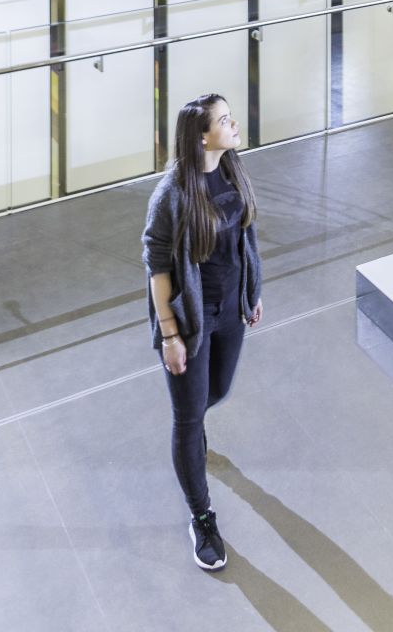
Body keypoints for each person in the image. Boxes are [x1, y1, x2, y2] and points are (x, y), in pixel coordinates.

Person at [142, 94, 263, 573]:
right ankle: (202, 517)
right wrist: (170, 335)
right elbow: (157, 268)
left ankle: (191, 431)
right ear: (201, 136)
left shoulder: (234, 170)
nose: (234, 125)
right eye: (224, 121)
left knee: (218, 391)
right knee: (189, 418)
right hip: (190, 317)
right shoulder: (171, 193)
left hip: (232, 307)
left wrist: (252, 290)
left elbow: (245, 236)